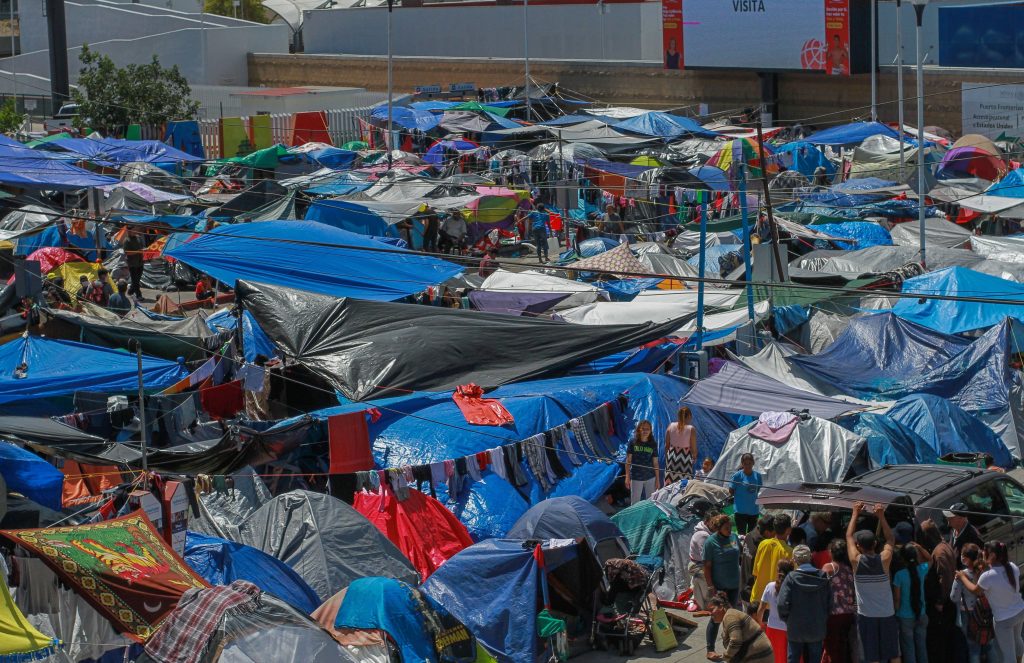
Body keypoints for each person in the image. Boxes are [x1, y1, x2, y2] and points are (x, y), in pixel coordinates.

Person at [846, 502, 899, 663]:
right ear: (876, 544)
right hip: (887, 614)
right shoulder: (885, 560)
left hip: (867, 616)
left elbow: (848, 536)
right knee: (893, 654)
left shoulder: (856, 560)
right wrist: (881, 516)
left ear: (858, 546)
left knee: (872, 656)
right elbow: (890, 538)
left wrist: (855, 513)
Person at [955, 541, 1024, 663]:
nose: (982, 554)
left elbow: (974, 590)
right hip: (1020, 612)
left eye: (984, 552)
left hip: (1004, 620)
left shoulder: (987, 576)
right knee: (1017, 639)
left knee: (1008, 654)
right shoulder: (1012, 566)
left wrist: (962, 577)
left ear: (992, 555)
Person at [778, 544, 831, 663]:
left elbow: (782, 605)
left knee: (793, 659)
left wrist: (788, 619)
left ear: (794, 560)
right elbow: (829, 603)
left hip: (795, 628)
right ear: (810, 557)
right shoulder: (823, 577)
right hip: (817, 628)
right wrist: (822, 619)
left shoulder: (790, 579)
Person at [921, 518, 961, 663]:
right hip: (947, 602)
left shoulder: (939, 552)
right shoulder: (944, 545)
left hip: (944, 604)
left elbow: (945, 578)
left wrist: (940, 601)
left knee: (941, 641)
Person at [951, 543, 997, 663]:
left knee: (973, 649)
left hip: (968, 614)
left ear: (966, 559)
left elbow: (954, 597)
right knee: (989, 644)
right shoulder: (986, 571)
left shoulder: (961, 576)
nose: (960, 557)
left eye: (962, 555)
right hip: (987, 612)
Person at [704, 515, 742, 661]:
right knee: (716, 618)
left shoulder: (734, 537)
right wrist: (710, 586)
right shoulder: (710, 542)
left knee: (731, 618)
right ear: (718, 528)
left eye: (730, 526)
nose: (729, 529)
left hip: (734, 584)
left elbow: (739, 555)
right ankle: (710, 649)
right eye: (726, 528)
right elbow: (707, 567)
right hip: (719, 587)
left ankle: (731, 649)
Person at [706, 592, 773, 662]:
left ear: (721, 607)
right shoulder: (730, 614)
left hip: (760, 658)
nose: (710, 613)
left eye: (712, 609)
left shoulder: (730, 616)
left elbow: (735, 641)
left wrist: (725, 657)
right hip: (761, 655)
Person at [822, 538, 857, 663]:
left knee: (832, 647)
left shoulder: (829, 567)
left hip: (834, 614)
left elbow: (821, 588)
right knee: (842, 646)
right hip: (848, 613)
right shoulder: (849, 569)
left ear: (831, 552)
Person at [893, 543, 929, 663]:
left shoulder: (899, 575)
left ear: (902, 559)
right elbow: (930, 559)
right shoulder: (922, 569)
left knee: (909, 650)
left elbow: (897, 599)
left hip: (904, 616)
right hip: (921, 613)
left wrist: (896, 612)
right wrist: (919, 547)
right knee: (922, 647)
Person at [755, 559, 794, 663]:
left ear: (778, 571)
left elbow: (761, 609)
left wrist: (760, 624)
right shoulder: (794, 587)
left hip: (772, 628)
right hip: (789, 629)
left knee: (774, 658)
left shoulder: (770, 586)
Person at [751, 514, 793, 610]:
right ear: (789, 530)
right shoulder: (790, 552)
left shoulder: (763, 544)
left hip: (757, 598)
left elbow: (755, 573)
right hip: (774, 603)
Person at [689, 508, 720, 611]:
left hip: (703, 563)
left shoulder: (710, 532)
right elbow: (706, 557)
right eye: (714, 523)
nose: (716, 525)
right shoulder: (702, 535)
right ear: (707, 521)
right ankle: (709, 606)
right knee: (709, 587)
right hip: (698, 565)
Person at [625, 420, 659, 504]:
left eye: (647, 429)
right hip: (636, 477)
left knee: (650, 503)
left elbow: (655, 463)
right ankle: (634, 517)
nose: (645, 431)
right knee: (635, 503)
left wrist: (657, 480)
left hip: (650, 477)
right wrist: (627, 477)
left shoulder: (653, 444)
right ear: (639, 430)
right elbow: (628, 461)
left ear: (650, 430)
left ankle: (648, 517)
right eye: (643, 429)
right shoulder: (632, 442)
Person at [729, 453, 763, 535]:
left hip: (753, 511)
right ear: (742, 464)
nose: (747, 466)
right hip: (740, 511)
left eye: (749, 463)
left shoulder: (758, 476)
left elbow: (757, 489)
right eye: (745, 464)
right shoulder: (737, 476)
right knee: (742, 535)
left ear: (753, 463)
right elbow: (731, 490)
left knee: (751, 536)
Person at [664, 406, 698, 484]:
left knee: (670, 484)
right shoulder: (691, 429)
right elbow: (694, 448)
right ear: (689, 416)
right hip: (685, 459)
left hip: (672, 457)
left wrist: (668, 457)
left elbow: (666, 445)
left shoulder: (671, 425)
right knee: (683, 485)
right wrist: (694, 457)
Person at [122, 230, 144, 298]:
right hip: (132, 263)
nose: (132, 232)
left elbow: (142, 248)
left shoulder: (138, 238)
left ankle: (131, 290)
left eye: (133, 230)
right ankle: (138, 295)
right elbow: (127, 252)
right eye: (129, 231)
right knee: (135, 280)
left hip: (140, 262)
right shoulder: (126, 240)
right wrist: (137, 252)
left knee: (137, 279)